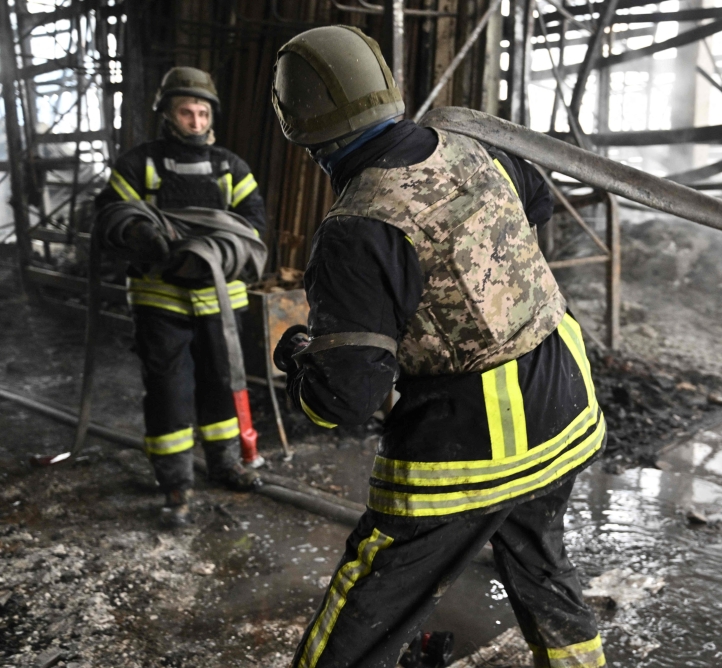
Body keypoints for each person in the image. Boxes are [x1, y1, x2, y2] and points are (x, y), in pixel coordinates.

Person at [270, 26, 607, 668]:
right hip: (565, 401)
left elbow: (347, 398)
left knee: (366, 605)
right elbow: (536, 205)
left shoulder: (358, 225)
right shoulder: (474, 148)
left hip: (470, 444)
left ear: (300, 129)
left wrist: (299, 358)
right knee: (543, 571)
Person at [94, 66, 266, 527]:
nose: (195, 121)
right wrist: (137, 232)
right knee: (169, 390)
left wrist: (213, 254)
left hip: (221, 301)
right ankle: (175, 483)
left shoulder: (232, 168)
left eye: (202, 113)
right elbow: (108, 214)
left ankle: (224, 464)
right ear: (167, 114)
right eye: (186, 112)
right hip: (160, 300)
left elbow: (253, 227)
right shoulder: (140, 164)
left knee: (222, 385)